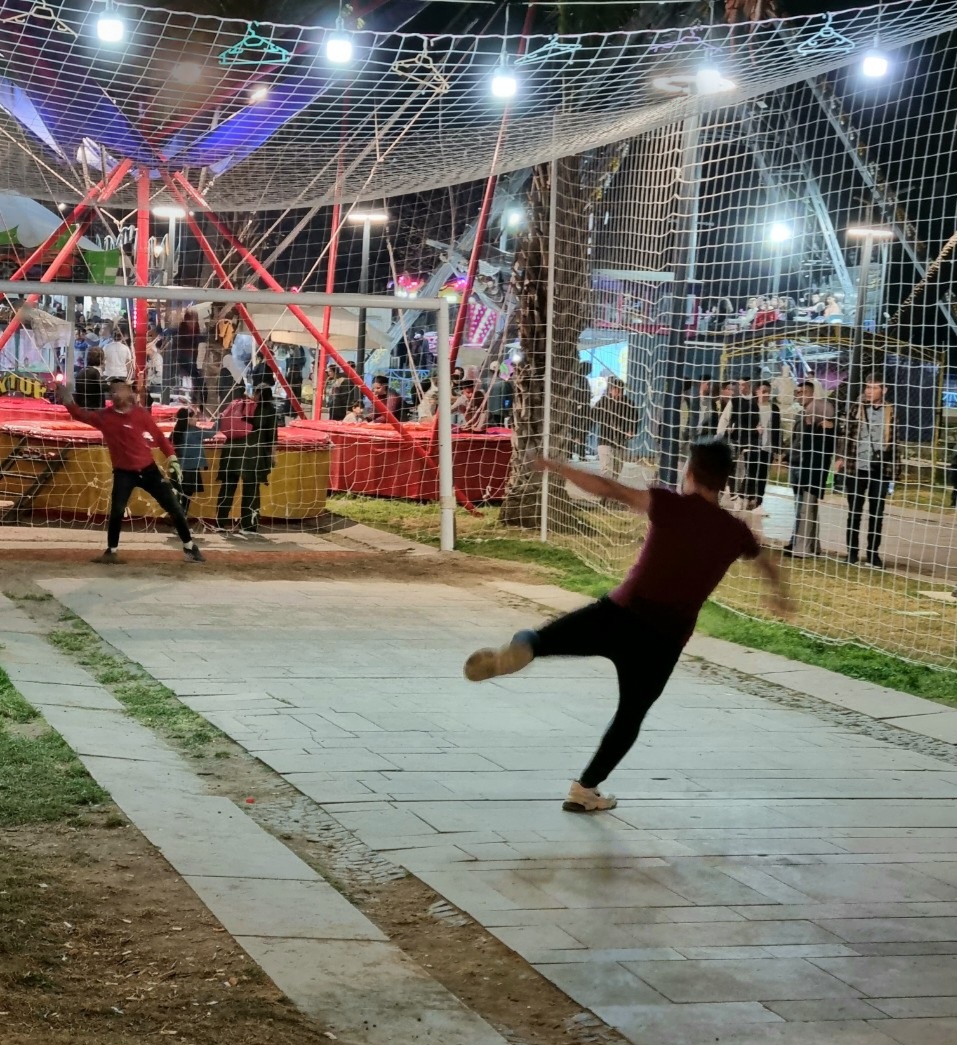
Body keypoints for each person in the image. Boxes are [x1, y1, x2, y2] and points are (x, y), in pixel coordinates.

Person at [463, 439, 788, 812]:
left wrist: (558, 466)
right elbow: (765, 560)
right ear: (725, 481)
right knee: (630, 716)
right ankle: (585, 790)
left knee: (540, 640)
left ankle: (520, 649)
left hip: (619, 614)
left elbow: (610, 488)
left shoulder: (668, 504)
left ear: (689, 472)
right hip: (664, 640)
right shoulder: (735, 531)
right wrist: (780, 595)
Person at [59, 380, 204, 564]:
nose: (115, 394)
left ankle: (189, 546)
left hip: (149, 470)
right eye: (113, 391)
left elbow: (159, 437)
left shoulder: (140, 414)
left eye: (119, 390)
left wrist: (172, 457)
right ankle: (111, 551)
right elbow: (80, 414)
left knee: (174, 507)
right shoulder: (104, 417)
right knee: (117, 510)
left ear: (128, 393)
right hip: (124, 473)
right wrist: (67, 398)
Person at [836, 374, 898, 567]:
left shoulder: (891, 411)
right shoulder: (857, 408)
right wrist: (841, 457)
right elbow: (846, 434)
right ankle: (852, 553)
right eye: (867, 387)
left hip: (880, 469)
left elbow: (895, 443)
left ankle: (873, 554)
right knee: (854, 512)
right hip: (857, 468)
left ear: (884, 390)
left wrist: (894, 472)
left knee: (876, 514)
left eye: (874, 388)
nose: (869, 391)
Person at [786, 381, 836, 558]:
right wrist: (788, 455)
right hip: (796, 463)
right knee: (801, 506)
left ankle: (800, 545)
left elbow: (824, 444)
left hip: (809, 466)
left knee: (805, 507)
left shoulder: (821, 420)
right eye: (797, 392)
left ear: (811, 394)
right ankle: (806, 543)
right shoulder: (801, 415)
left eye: (803, 392)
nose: (799, 396)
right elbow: (796, 440)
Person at [236, 385, 279, 537]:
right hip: (260, 454)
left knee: (249, 489)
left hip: (248, 452)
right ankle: (251, 523)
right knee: (254, 489)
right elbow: (273, 437)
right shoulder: (271, 411)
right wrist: (273, 456)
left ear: (259, 394)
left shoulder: (252, 409)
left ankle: (247, 522)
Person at [171, 405, 215, 519]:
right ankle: (181, 518)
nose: (197, 419)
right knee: (186, 495)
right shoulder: (193, 431)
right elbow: (212, 432)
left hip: (178, 467)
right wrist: (220, 419)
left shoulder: (177, 431)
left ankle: (176, 517)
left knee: (179, 494)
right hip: (190, 469)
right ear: (188, 418)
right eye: (195, 417)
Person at [593, 377, 639, 482]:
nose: (617, 393)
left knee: (617, 469)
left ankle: (612, 488)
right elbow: (593, 415)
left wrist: (631, 430)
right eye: (615, 390)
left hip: (620, 440)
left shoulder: (629, 403)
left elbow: (634, 419)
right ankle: (605, 489)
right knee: (606, 468)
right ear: (610, 390)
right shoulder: (603, 401)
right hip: (605, 439)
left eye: (620, 390)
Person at [752, 380, 783, 508]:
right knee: (751, 473)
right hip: (753, 446)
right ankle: (746, 497)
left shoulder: (774, 408)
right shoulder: (751, 407)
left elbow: (778, 429)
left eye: (768, 392)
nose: (766, 395)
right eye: (763, 391)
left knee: (763, 475)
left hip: (768, 447)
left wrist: (778, 449)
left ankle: (758, 501)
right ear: (757, 392)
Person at [73, 345, 109, 410]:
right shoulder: (95, 372)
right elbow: (104, 388)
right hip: (94, 409)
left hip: (82, 408)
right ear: (100, 359)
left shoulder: (81, 372)